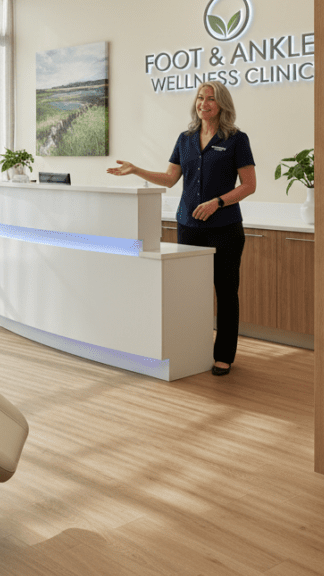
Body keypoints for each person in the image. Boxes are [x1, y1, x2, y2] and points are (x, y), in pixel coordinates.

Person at [107, 80, 256, 376]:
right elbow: (169, 178)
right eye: (200, 98)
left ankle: (224, 355)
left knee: (226, 292)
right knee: (191, 292)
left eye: (211, 99)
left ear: (222, 104)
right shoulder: (185, 138)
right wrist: (136, 169)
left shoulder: (237, 139)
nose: (204, 103)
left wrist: (218, 202)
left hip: (225, 227)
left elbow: (249, 186)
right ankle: (194, 350)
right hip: (189, 226)